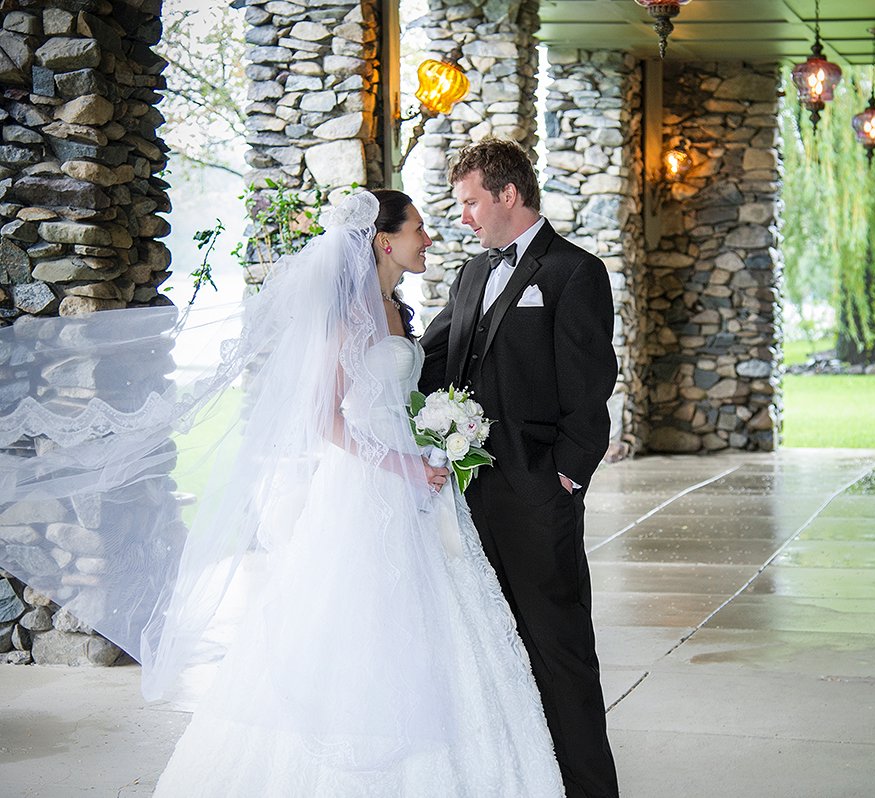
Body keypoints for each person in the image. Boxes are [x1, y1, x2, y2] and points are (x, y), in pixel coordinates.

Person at [0, 190, 565, 796]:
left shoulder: (397, 311)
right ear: (383, 240)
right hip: (365, 488)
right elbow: (327, 418)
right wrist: (402, 463)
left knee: (444, 625)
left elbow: (401, 397)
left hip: (419, 486)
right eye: (419, 228)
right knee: (360, 625)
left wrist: (438, 436)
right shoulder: (342, 317)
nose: (428, 239)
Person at [420, 138, 620, 798]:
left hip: (538, 492)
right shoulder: (473, 273)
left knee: (559, 651)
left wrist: (564, 476)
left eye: (471, 202)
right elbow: (434, 361)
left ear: (509, 195)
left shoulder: (574, 272)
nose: (464, 217)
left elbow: (591, 387)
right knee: (496, 652)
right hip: (470, 496)